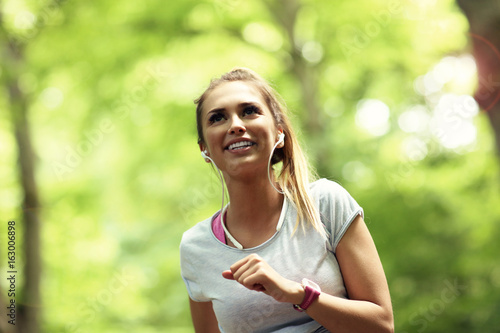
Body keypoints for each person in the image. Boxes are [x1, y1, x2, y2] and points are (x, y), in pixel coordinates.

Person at [179, 68, 394, 333]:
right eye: (218, 117)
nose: (235, 124)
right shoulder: (196, 248)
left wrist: (297, 294)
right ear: (205, 149)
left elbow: (382, 325)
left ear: (278, 133)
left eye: (249, 111)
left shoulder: (325, 202)